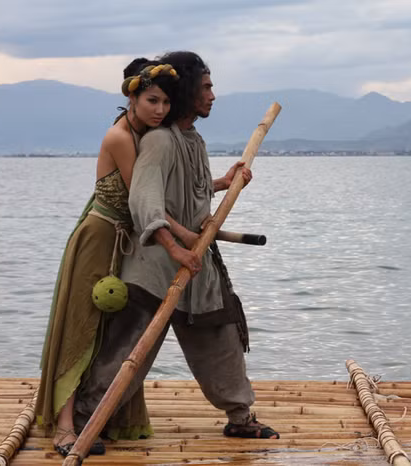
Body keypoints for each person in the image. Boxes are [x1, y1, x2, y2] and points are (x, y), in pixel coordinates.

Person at [112, 50, 280, 440]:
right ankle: (91, 417)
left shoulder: (193, 140)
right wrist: (174, 247)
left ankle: (240, 416)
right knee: (129, 351)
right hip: (154, 268)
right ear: (187, 90)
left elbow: (191, 193)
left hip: (196, 262)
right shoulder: (159, 141)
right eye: (205, 87)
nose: (212, 95)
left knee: (220, 333)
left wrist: (224, 182)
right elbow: (145, 201)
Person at [35, 57, 197, 458]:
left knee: (112, 333)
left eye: (165, 103)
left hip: (126, 243)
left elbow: (158, 190)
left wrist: (219, 182)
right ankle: (65, 428)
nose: (160, 110)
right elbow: (145, 198)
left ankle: (105, 416)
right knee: (81, 330)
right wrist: (180, 237)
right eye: (152, 101)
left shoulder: (148, 135)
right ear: (132, 98)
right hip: (98, 239)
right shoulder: (121, 137)